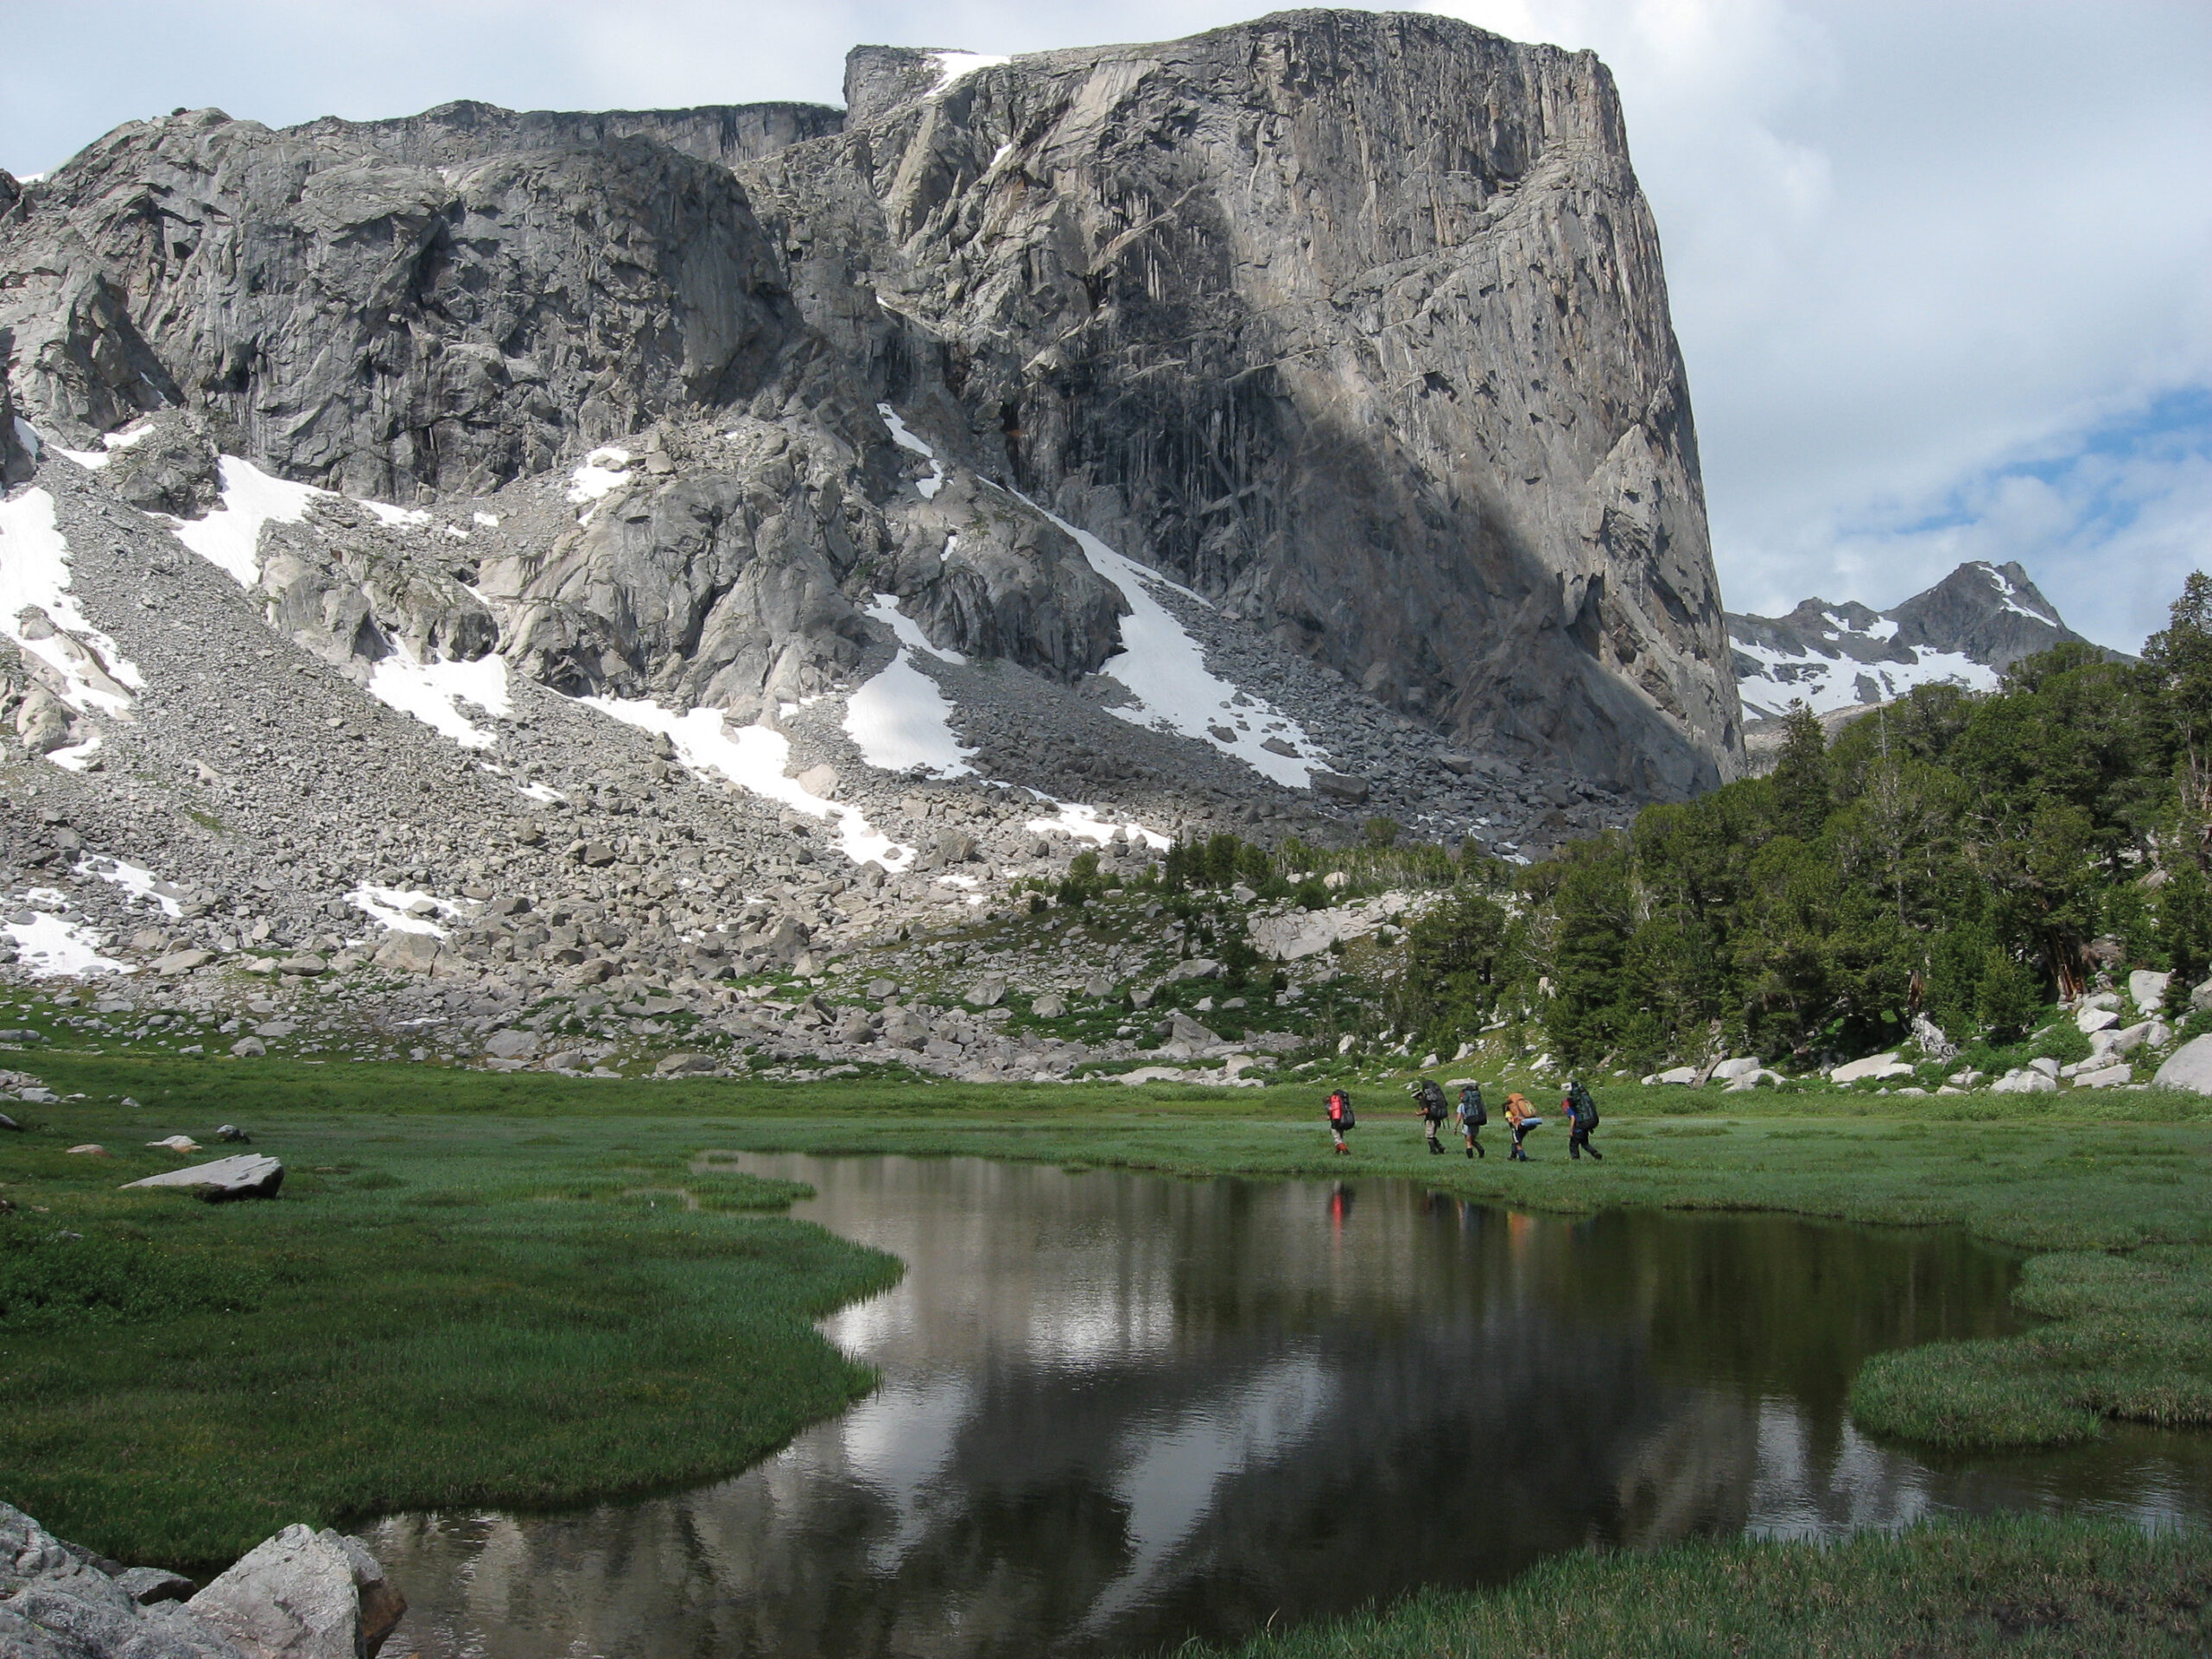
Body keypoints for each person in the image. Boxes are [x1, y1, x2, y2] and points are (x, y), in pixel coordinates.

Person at [1564, 1080, 1604, 1160]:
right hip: (1587, 1125)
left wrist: (1571, 1131)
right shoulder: (1582, 1105)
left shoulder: (1571, 1109)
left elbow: (1573, 1119)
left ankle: (1575, 1159)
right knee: (1584, 1143)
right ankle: (1594, 1153)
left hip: (1580, 1128)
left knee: (1573, 1144)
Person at [1410, 1077, 1450, 1154]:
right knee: (1432, 1135)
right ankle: (1440, 1147)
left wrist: (1419, 1114)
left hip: (1431, 1118)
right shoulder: (1430, 1098)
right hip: (1436, 1118)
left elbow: (1426, 1111)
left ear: (1418, 1095)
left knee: (1429, 1136)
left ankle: (1433, 1151)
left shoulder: (1423, 1100)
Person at [1503, 1091, 1543, 1161]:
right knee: (1517, 1140)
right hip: (1528, 1124)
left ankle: (1522, 1157)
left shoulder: (1511, 1107)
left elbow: (1509, 1119)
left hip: (1518, 1125)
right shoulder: (1525, 1103)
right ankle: (1513, 1156)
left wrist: (1512, 1120)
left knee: (1517, 1142)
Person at [1457, 1081, 1487, 1159]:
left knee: (1468, 1141)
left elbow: (1459, 1116)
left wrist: (1455, 1127)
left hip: (1468, 1122)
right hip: (1477, 1120)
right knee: (1472, 1139)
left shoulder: (1462, 1105)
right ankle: (1480, 1150)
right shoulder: (1477, 1102)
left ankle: (1471, 1157)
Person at [1326, 1088, 1356, 1155]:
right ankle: (1337, 1153)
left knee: (1337, 1139)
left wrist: (1329, 1115)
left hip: (1336, 1122)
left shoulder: (1334, 1101)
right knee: (1340, 1138)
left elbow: (1330, 1110)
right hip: (1343, 1121)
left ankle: (1346, 1152)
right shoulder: (1344, 1102)